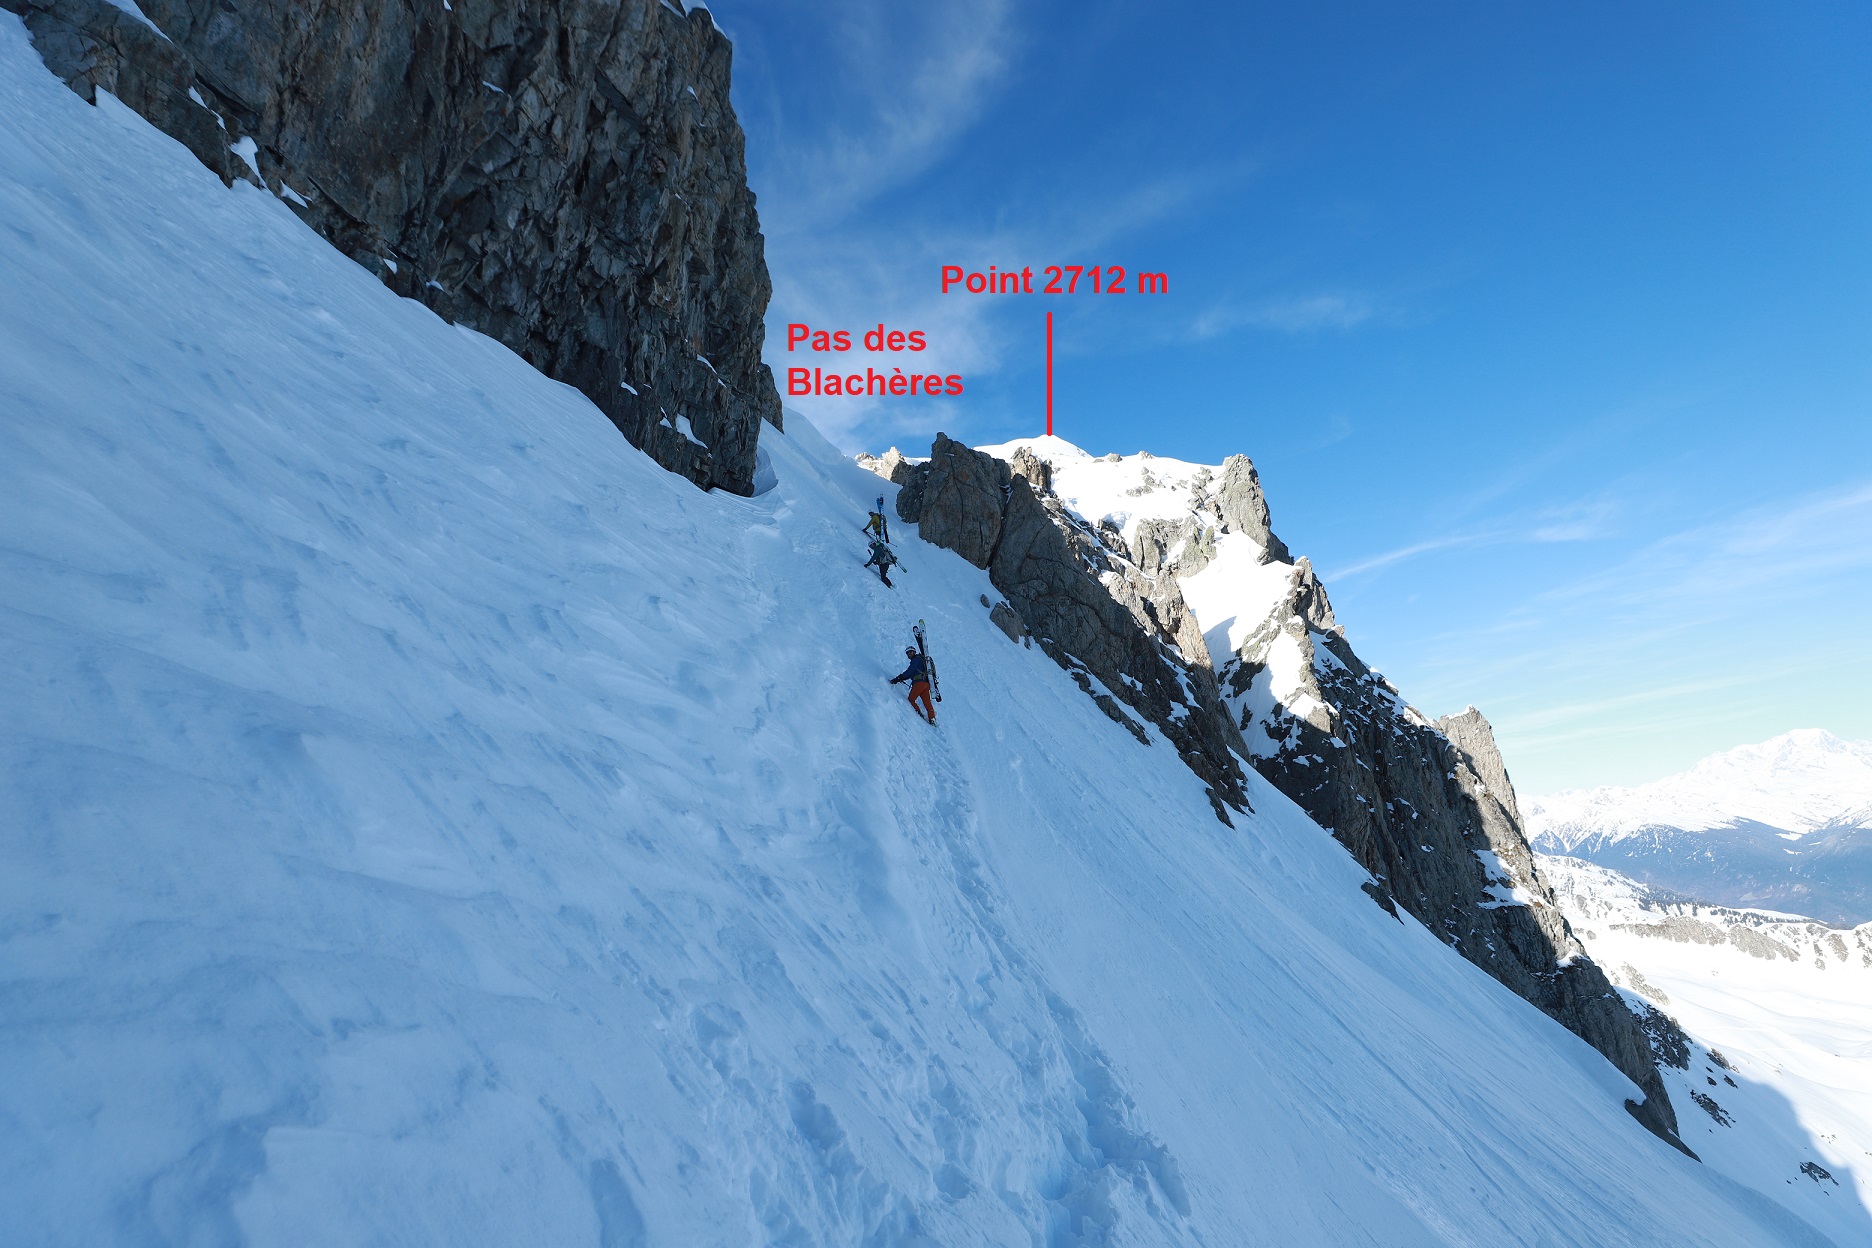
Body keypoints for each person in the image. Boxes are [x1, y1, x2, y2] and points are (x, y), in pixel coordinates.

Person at [889, 647, 936, 724]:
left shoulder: (916, 659)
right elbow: (911, 673)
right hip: (926, 684)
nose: (909, 654)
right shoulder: (921, 660)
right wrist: (900, 678)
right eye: (907, 653)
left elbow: (909, 671)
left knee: (911, 699)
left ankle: (918, 713)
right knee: (927, 702)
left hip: (919, 683)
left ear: (914, 652)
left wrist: (898, 678)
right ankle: (932, 718)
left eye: (910, 652)